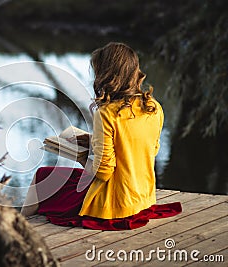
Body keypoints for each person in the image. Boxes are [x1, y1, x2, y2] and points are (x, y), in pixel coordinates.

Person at [21, 42, 181, 229]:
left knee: (43, 176)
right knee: (65, 179)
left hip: (113, 204)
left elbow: (103, 173)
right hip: (142, 197)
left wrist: (79, 156)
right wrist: (93, 140)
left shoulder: (106, 114)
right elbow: (146, 150)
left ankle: (20, 226)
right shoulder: (153, 107)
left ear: (106, 75)